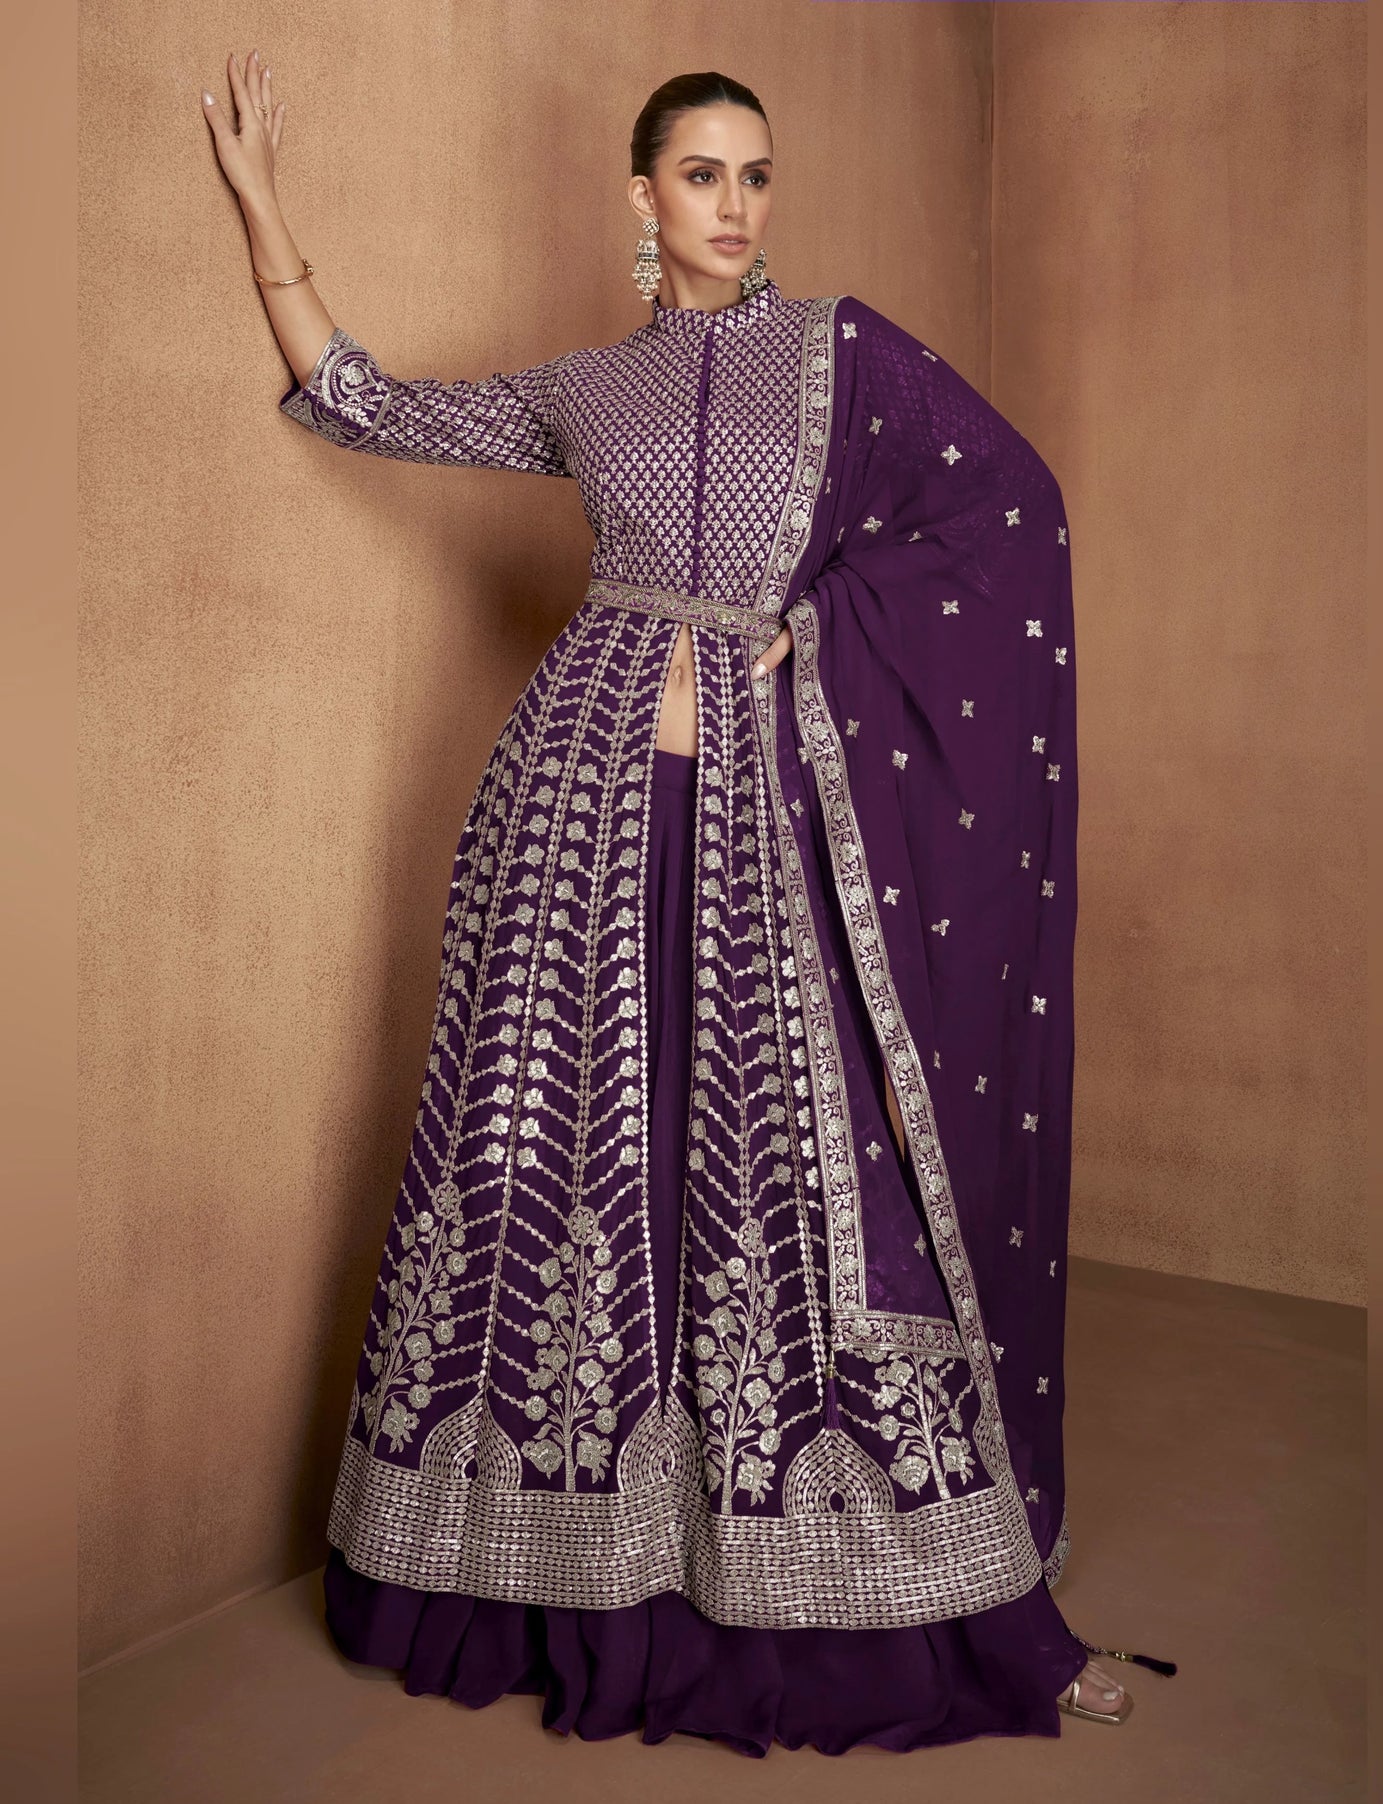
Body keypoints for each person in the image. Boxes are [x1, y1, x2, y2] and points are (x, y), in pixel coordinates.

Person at [203, 51, 1166, 1754]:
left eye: (755, 176)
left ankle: (930, 1603)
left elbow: (1006, 510)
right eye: (701, 175)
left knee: (787, 1167)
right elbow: (371, 403)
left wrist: (835, 635)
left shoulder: (840, 358)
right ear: (638, 197)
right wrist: (272, 226)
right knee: (549, 1152)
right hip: (569, 809)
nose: (732, 206)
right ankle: (534, 1560)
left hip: (761, 806)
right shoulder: (586, 386)